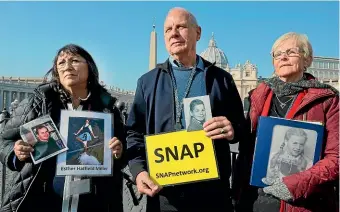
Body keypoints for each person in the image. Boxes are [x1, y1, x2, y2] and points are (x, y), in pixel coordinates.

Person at [126, 7, 246, 212]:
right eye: (168, 29)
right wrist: (138, 171)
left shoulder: (221, 79)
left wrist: (233, 129)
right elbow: (134, 133)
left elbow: (241, 127)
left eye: (180, 26)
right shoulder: (147, 82)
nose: (173, 33)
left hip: (212, 195)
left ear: (198, 33)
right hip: (164, 195)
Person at [0, 44, 125, 212]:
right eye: (61, 63)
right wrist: (15, 153)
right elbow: (4, 139)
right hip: (42, 200)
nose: (67, 67)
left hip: (93, 202)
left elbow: (123, 150)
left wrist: (119, 152)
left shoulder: (107, 108)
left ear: (90, 67)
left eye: (74, 60)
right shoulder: (39, 102)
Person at [233, 32, 339, 212]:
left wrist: (293, 185)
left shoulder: (327, 100)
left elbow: (336, 157)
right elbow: (246, 144)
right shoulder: (257, 95)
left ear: (307, 60)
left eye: (291, 52)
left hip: (302, 203)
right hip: (255, 200)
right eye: (278, 54)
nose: (283, 57)